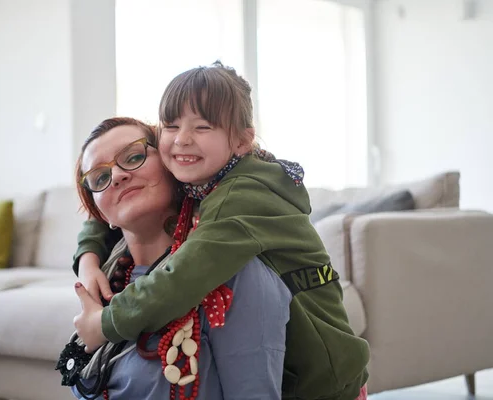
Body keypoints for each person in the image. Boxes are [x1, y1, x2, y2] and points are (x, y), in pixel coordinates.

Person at [74, 62, 370, 400]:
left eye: (202, 126)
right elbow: (103, 204)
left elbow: (182, 277)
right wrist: (88, 257)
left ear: (242, 141)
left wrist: (106, 325)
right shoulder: (200, 179)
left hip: (323, 377)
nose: (183, 139)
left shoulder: (240, 196)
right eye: (171, 126)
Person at [65, 117, 291, 399]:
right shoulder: (105, 282)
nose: (118, 176)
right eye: (100, 177)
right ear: (100, 214)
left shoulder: (231, 273)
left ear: (173, 163)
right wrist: (87, 258)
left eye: (133, 157)